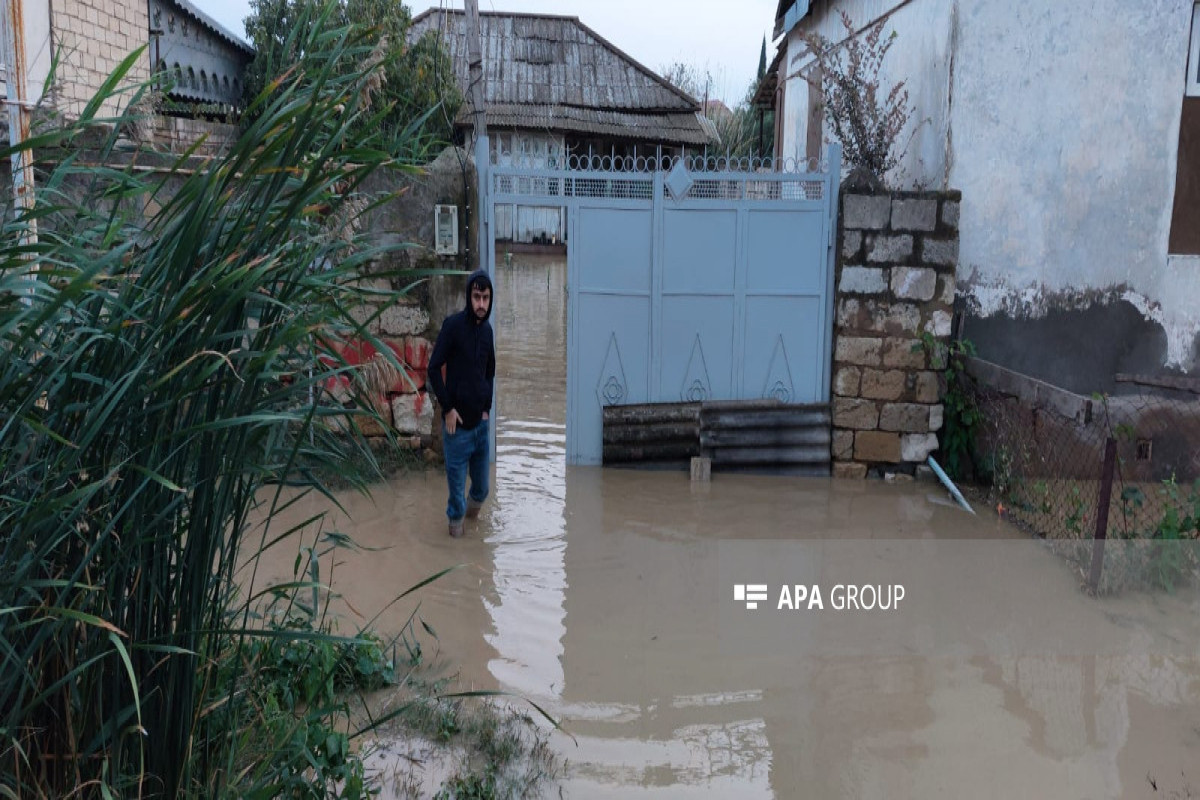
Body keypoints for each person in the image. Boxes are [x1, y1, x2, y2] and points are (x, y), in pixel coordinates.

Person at [427, 269, 496, 538]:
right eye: (476, 297)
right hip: (456, 431)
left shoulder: (488, 331)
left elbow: (489, 371)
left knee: (481, 490)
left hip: (480, 426)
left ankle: (473, 536)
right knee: (456, 501)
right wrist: (447, 409)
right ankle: (456, 554)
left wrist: (487, 409)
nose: (481, 304)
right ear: (469, 297)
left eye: (486, 298)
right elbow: (433, 369)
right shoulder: (453, 326)